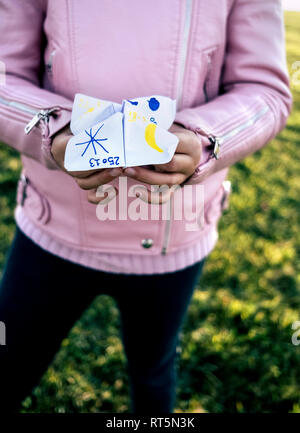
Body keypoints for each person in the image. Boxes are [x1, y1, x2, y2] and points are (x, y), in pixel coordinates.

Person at [0, 0, 292, 413]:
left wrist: (204, 138)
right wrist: (55, 129)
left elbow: (265, 91)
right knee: (9, 366)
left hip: (175, 237)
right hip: (52, 227)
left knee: (153, 370)